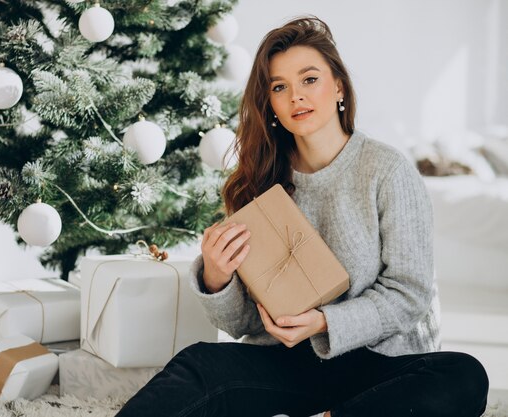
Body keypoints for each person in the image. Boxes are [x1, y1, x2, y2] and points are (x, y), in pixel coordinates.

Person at [115, 16, 489, 417]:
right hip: (290, 362)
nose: (296, 96)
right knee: (199, 364)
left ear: (339, 86)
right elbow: (243, 323)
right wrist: (217, 278)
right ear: (271, 103)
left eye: (309, 79)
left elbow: (409, 294)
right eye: (280, 87)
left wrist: (325, 322)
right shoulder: (256, 181)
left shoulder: (387, 171)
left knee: (464, 375)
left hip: (381, 363)